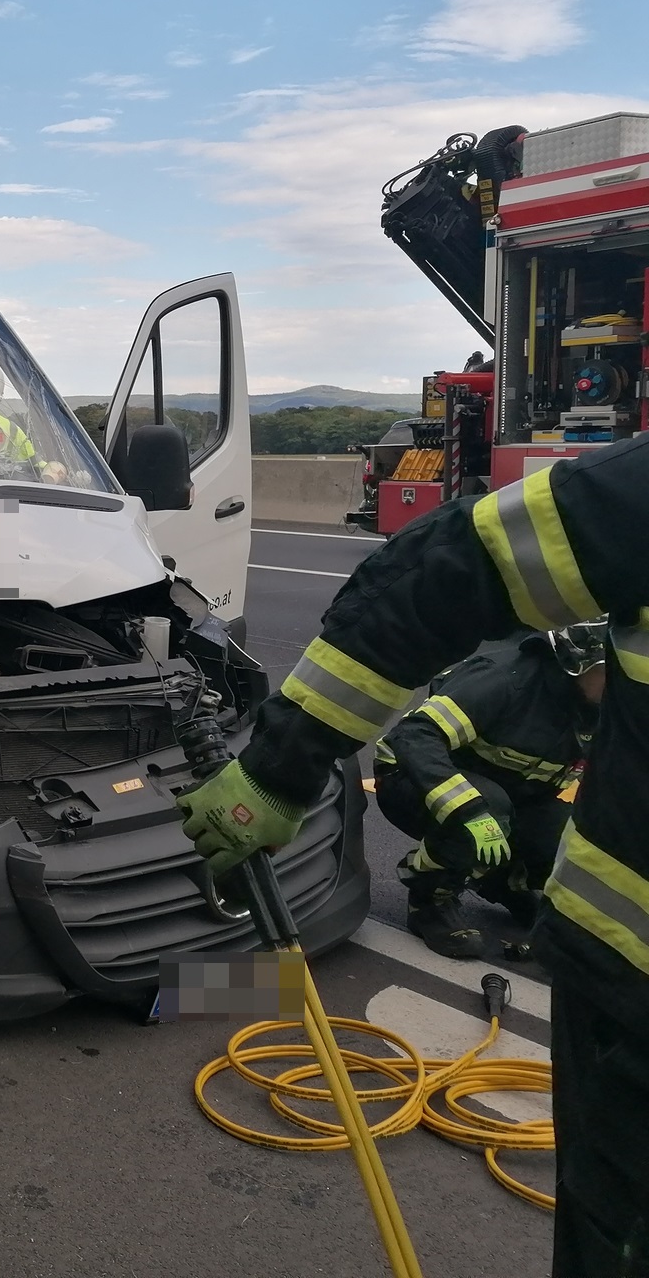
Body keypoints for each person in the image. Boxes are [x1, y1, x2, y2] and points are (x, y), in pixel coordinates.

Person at [174, 448, 649, 1272]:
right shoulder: (513, 679)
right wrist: (278, 770)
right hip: (616, 981)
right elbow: (445, 586)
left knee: (526, 825)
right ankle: (428, 891)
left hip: (605, 946)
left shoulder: (587, 708)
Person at [372, 624, 601, 957]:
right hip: (410, 775)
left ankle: (502, 881)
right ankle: (428, 900)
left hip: (512, 790)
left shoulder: (601, 706)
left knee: (569, 840)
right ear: (577, 663)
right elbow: (414, 736)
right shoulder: (503, 680)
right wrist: (469, 809)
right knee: (489, 807)